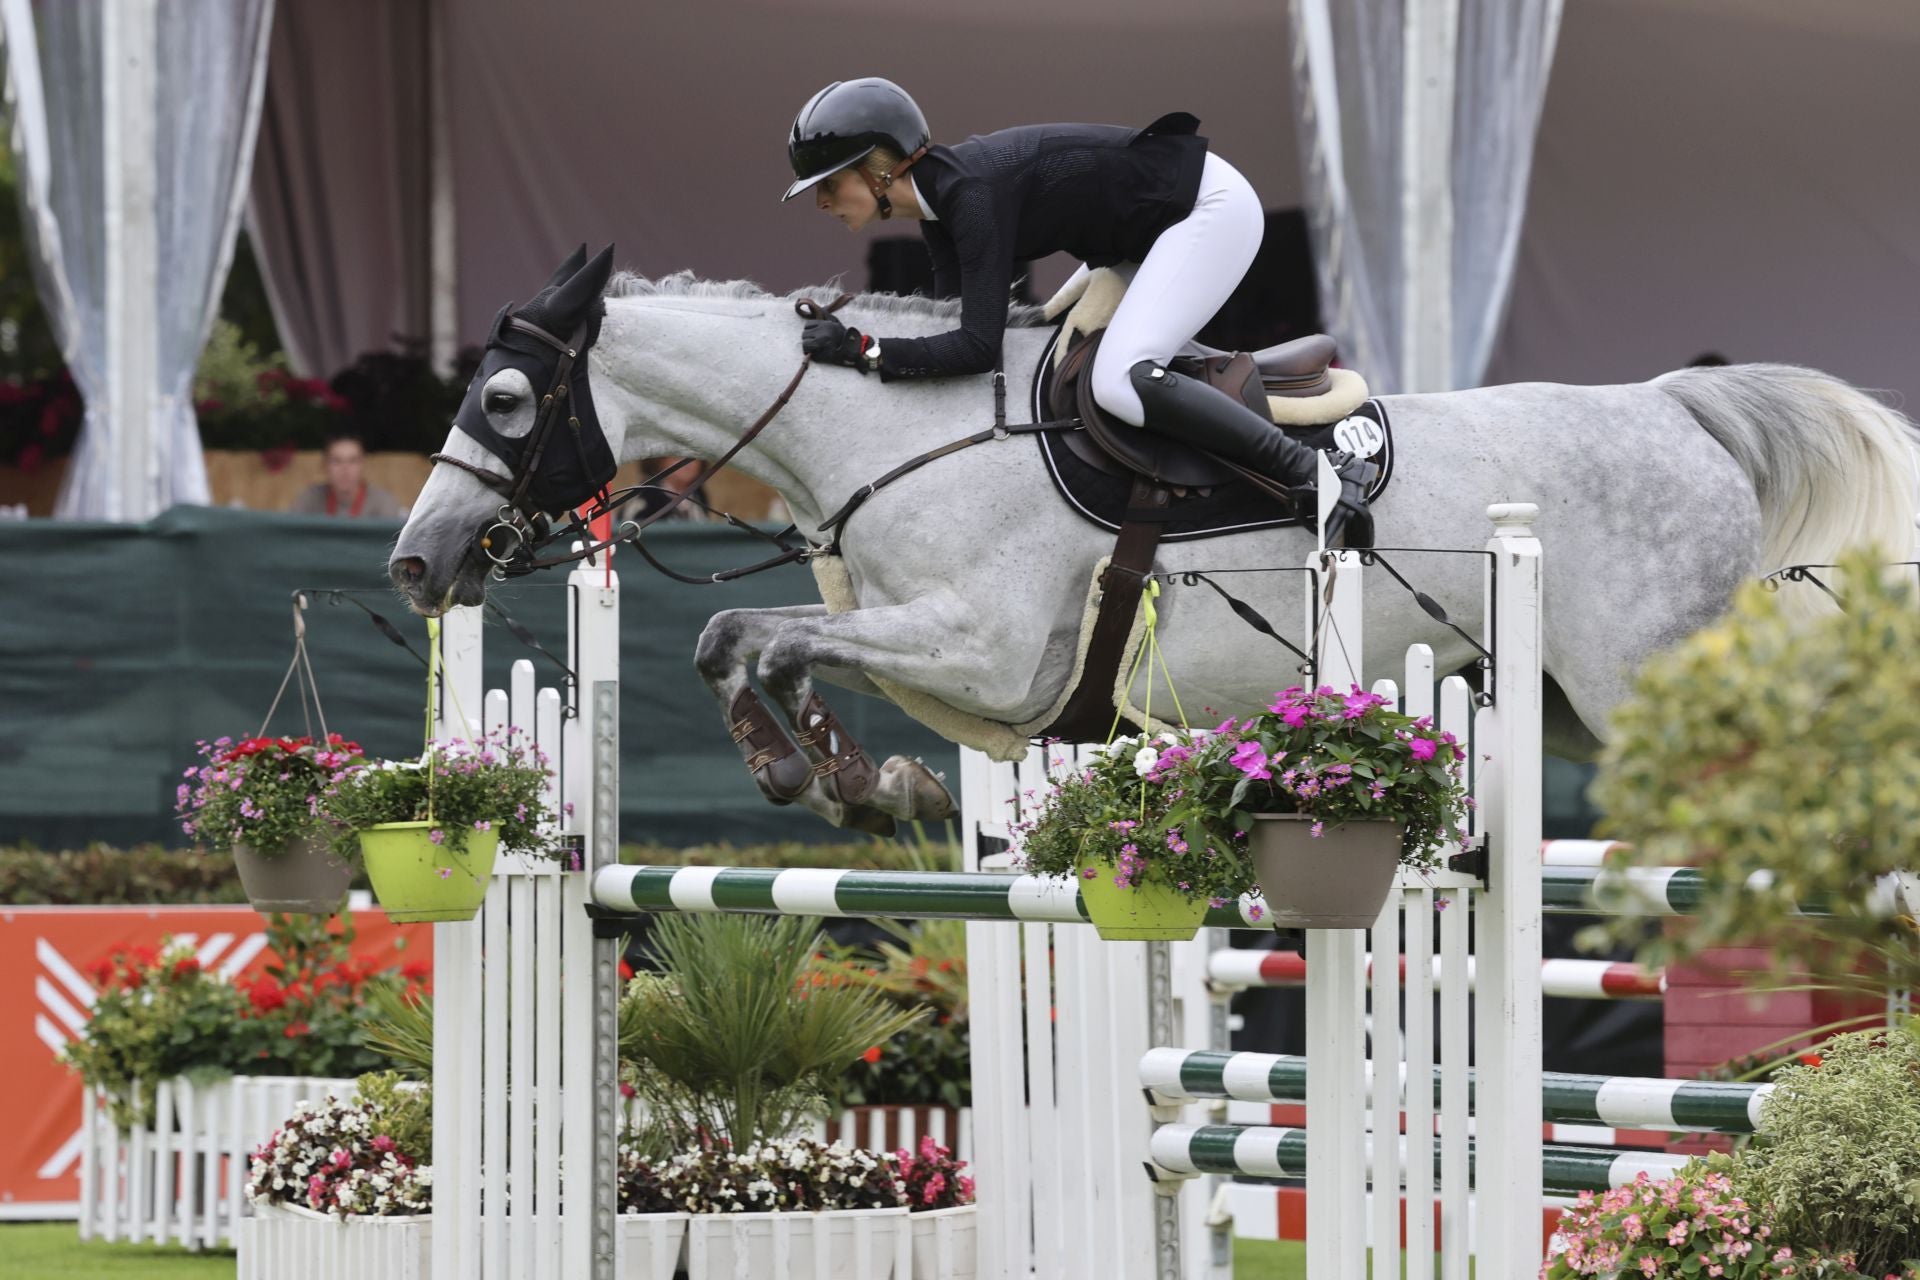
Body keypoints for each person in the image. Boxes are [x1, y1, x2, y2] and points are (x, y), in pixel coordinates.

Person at [780, 77, 1371, 540]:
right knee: (1059, 342)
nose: (823, 202)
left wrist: (864, 348)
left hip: (1206, 210)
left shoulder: (970, 197)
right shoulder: (941, 208)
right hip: (1144, 232)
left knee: (1119, 382)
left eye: (829, 184)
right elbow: (951, 332)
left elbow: (977, 351)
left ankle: (1317, 472)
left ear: (880, 167)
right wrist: (864, 346)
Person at [290, 429, 405, 518]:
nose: (345, 469)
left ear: (363, 465)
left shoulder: (382, 502)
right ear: (324, 466)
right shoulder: (310, 499)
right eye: (336, 461)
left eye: (353, 461)